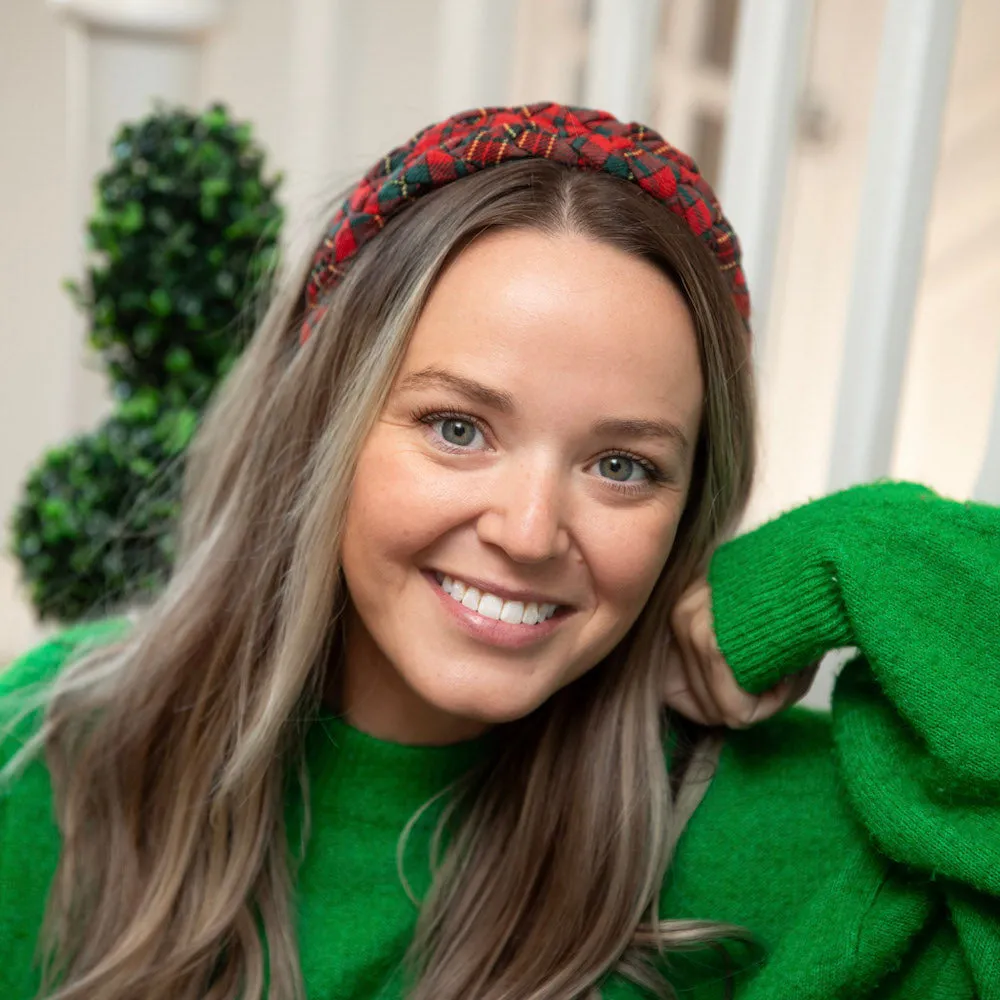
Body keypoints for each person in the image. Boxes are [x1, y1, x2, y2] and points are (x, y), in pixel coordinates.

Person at [0, 103, 997, 1000]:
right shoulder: (58, 761)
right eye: (458, 427)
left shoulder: (769, 833)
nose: (526, 533)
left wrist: (858, 551)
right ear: (320, 428)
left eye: (621, 465)